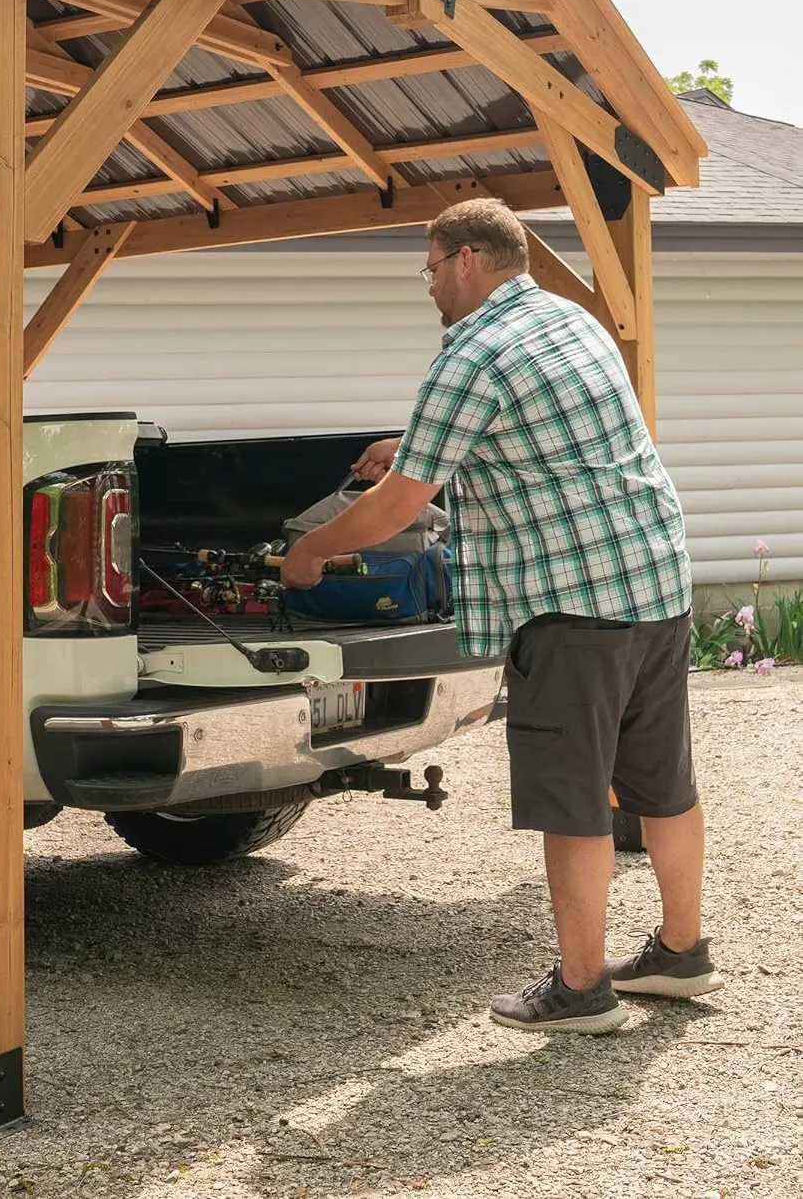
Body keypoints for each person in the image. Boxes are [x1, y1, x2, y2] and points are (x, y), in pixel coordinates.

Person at [280, 197, 722, 1034]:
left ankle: (582, 991)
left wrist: (310, 556)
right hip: (654, 583)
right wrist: (410, 438)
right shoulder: (569, 319)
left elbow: (395, 507)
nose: (431, 288)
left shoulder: (470, 352)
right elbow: (536, 424)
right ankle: (682, 950)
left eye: (430, 270)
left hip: (572, 607)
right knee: (662, 783)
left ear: (464, 261)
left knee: (572, 799)